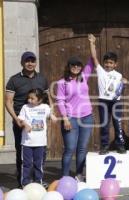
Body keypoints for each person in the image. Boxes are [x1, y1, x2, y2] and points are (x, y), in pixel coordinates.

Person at [5, 51, 50, 187]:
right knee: (22, 153)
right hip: (21, 122)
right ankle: (23, 182)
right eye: (27, 61)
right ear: (22, 63)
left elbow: (48, 99)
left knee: (41, 154)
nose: (30, 63)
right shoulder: (14, 80)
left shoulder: (42, 78)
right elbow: (8, 102)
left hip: (39, 125)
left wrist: (49, 114)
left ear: (36, 62)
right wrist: (16, 119)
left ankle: (38, 181)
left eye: (33, 61)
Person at [56, 38, 95, 179]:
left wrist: (91, 43)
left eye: (79, 65)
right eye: (73, 65)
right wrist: (65, 118)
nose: (76, 67)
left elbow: (93, 59)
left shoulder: (84, 76)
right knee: (70, 149)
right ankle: (65, 177)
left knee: (82, 148)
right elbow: (59, 100)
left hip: (87, 117)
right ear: (69, 66)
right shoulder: (62, 82)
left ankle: (79, 174)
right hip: (70, 119)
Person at [88, 34, 126, 155]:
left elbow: (121, 86)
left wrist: (124, 81)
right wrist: (92, 43)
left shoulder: (119, 75)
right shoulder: (100, 71)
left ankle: (120, 145)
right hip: (103, 101)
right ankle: (104, 146)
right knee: (104, 124)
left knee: (117, 123)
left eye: (111, 63)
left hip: (116, 102)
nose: (108, 65)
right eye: (106, 62)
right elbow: (94, 57)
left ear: (115, 64)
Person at [18, 89, 56, 187]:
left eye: (32, 98)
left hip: (40, 143)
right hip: (27, 142)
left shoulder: (45, 107)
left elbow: (51, 110)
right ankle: (25, 184)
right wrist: (25, 124)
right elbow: (20, 119)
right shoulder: (25, 107)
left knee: (38, 164)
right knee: (26, 164)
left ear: (39, 100)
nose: (29, 100)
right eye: (28, 98)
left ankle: (38, 182)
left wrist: (52, 116)